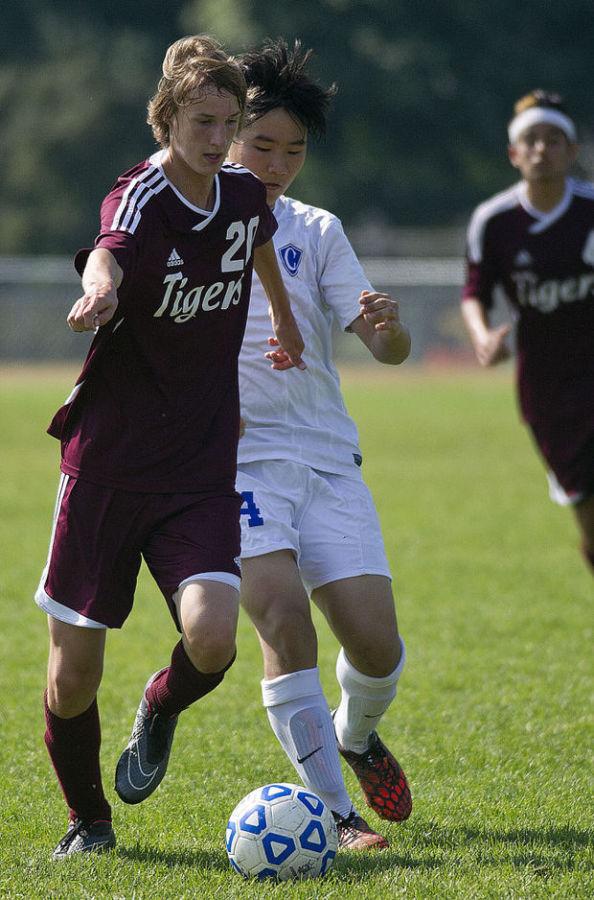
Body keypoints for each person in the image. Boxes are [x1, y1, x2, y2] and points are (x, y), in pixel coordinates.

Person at [35, 34, 304, 859]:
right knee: (73, 676)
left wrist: (287, 323)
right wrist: (100, 295)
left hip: (197, 464)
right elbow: (108, 254)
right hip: (108, 466)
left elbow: (258, 242)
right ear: (168, 118)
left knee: (214, 636)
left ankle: (159, 705)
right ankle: (91, 822)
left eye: (228, 123)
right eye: (202, 121)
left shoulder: (242, 195)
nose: (218, 139)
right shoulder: (141, 196)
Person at [226, 39, 412, 852]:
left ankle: (356, 736)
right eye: (261, 143)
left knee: (376, 644)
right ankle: (336, 814)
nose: (277, 162)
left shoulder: (317, 228)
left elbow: (388, 351)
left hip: (327, 458)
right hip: (236, 463)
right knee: (281, 620)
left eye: (292, 149)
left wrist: (388, 328)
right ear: (228, 134)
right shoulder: (190, 218)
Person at [461, 90, 594, 575]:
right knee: (586, 512)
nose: (542, 149)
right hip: (548, 390)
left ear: (571, 151)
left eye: (554, 140)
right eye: (532, 141)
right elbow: (474, 290)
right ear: (514, 154)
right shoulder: (494, 222)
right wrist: (481, 335)